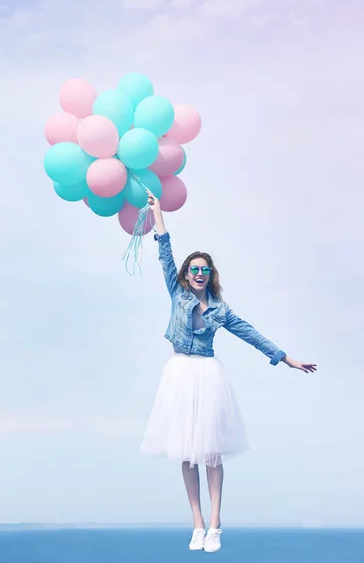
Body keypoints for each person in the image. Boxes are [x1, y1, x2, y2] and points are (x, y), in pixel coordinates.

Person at [139, 192, 317, 553]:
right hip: (179, 373)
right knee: (186, 453)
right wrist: (158, 215)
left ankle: (216, 523)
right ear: (187, 274)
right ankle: (197, 524)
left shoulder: (221, 309)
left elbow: (251, 333)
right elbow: (164, 252)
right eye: (195, 269)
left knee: (211, 453)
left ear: (211, 275)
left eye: (206, 269)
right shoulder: (177, 291)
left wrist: (285, 358)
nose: (200, 273)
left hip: (207, 375)